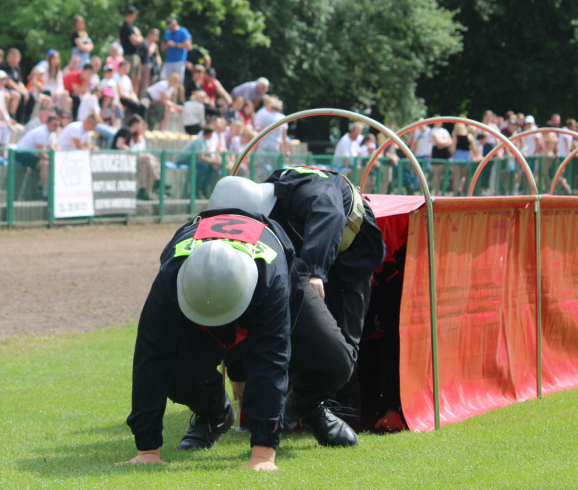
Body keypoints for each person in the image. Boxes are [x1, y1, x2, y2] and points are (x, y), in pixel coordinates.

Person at [121, 209, 312, 470]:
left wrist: (263, 455)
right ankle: (215, 413)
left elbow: (271, 361)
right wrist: (147, 450)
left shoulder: (272, 279)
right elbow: (151, 357)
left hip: (266, 277)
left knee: (314, 355)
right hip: (194, 292)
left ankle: (312, 410)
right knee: (179, 374)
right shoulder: (169, 279)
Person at [208, 165, 386, 428]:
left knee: (344, 338)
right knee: (289, 325)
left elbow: (329, 213)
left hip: (353, 253)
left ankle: (337, 409)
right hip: (307, 255)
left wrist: (315, 272)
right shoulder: (268, 198)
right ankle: (287, 410)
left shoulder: (312, 193)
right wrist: (236, 368)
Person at [118, 5, 143, 93]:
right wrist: (140, 38)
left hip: (134, 55)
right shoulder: (126, 26)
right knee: (130, 78)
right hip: (129, 56)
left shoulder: (131, 27)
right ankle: (129, 95)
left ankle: (134, 96)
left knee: (137, 78)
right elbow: (134, 41)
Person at [161, 16, 191, 82]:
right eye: (169, 27)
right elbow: (162, 48)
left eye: (172, 27)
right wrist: (166, 44)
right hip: (168, 61)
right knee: (166, 81)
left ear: (176, 24)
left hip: (179, 61)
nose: (171, 29)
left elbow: (188, 46)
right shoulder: (167, 32)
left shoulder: (183, 31)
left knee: (179, 81)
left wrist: (175, 44)